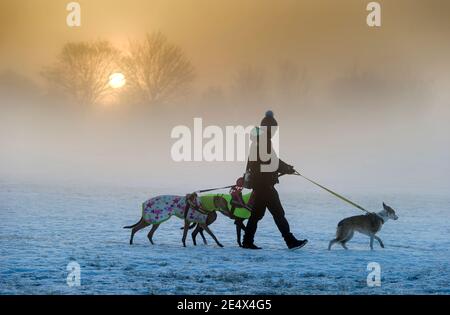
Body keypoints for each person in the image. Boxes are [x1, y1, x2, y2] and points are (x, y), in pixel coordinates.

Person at [242, 110, 308, 250]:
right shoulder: (263, 142)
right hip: (265, 186)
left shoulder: (259, 141)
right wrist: (287, 169)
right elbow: (273, 162)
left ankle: (247, 241)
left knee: (256, 215)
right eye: (274, 129)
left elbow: (269, 161)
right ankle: (290, 241)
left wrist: (286, 167)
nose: (275, 132)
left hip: (260, 185)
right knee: (278, 214)